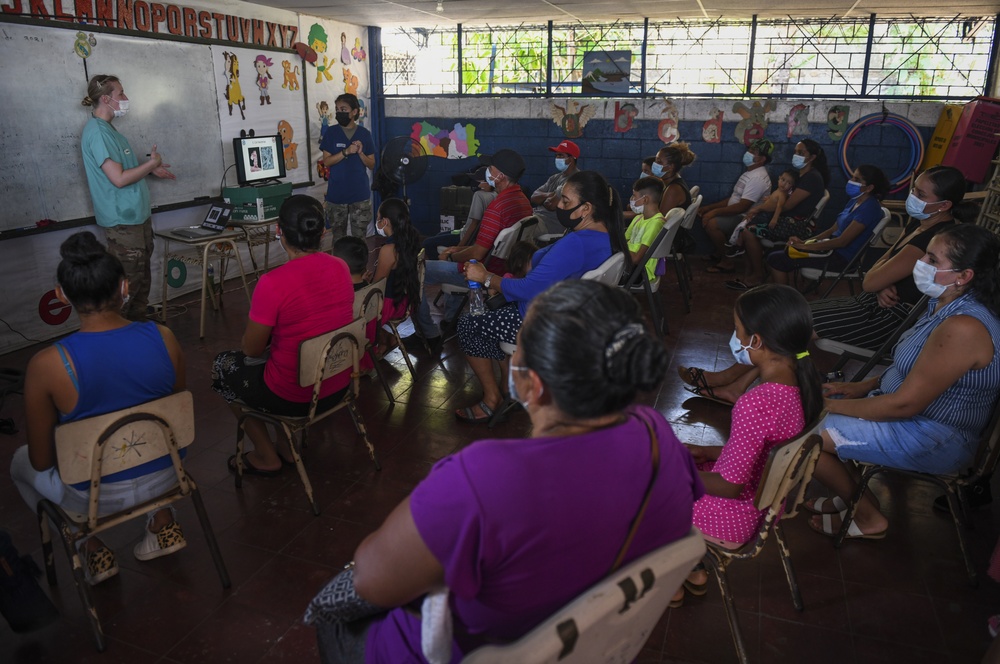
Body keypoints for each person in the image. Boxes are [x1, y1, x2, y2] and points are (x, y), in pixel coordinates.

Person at [308, 279, 704, 661]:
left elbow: (370, 581)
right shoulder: (656, 436)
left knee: (333, 611)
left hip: (453, 653)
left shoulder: (484, 480)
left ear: (535, 384)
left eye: (520, 346)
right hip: (590, 646)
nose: (512, 357)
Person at [679, 165, 965, 406]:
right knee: (790, 322)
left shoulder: (934, 239)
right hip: (874, 301)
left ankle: (734, 383)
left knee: (790, 327)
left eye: (920, 194)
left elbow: (869, 279)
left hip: (888, 318)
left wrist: (878, 282)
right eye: (914, 190)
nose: (911, 197)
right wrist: (879, 283)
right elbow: (876, 276)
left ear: (944, 205)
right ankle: (735, 383)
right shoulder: (921, 227)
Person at [11, 232, 187, 585]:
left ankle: (89, 546)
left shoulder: (47, 364)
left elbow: (42, 462)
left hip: (94, 497)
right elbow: (176, 412)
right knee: (147, 433)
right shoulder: (163, 337)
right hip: (168, 476)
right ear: (124, 288)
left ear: (61, 295)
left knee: (20, 461)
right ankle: (163, 521)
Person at [807, 223, 1000, 540]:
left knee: (807, 434)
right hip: (912, 418)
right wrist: (861, 387)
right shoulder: (941, 302)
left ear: (964, 276)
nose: (922, 263)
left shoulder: (964, 326)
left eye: (933, 260)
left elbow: (905, 404)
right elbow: (912, 367)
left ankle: (869, 516)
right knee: (821, 417)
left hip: (935, 437)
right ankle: (851, 496)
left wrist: (828, 405)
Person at [675, 284, 823, 606]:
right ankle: (693, 568)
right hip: (766, 503)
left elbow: (729, 487)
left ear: (757, 341)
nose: (736, 338)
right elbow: (765, 454)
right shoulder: (801, 386)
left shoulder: (756, 403)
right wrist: (710, 452)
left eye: (738, 330)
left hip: (734, 515)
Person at [454, 170, 628, 423]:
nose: (558, 205)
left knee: (469, 323)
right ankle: (508, 386)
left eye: (566, 202)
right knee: (491, 312)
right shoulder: (605, 236)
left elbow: (528, 290)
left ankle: (492, 399)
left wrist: (487, 278)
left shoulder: (577, 242)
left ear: (586, 208)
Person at [212, 195, 354, 476]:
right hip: (337, 384)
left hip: (295, 396)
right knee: (282, 360)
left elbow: (251, 350)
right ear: (322, 232)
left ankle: (266, 454)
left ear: (279, 231)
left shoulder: (272, 284)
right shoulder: (341, 267)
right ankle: (288, 447)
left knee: (223, 366)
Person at [80, 74, 176, 321]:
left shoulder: (110, 131)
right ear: (105, 99)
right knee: (126, 285)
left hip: (136, 218)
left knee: (140, 279)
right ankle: (117, 337)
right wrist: (151, 163)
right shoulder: (98, 133)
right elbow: (119, 178)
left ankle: (138, 330)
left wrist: (150, 168)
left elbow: (125, 172)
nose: (126, 98)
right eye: (120, 94)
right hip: (123, 222)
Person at [417, 149, 533, 345]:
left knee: (416, 270)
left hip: (483, 273)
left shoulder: (497, 207)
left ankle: (428, 334)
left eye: (490, 168)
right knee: (454, 253)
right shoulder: (522, 201)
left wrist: (451, 257)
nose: (487, 171)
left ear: (500, 176)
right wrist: (457, 250)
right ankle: (451, 318)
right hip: (506, 269)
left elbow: (478, 252)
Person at [729, 138, 830, 291]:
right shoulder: (803, 175)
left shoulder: (811, 178)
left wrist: (760, 208)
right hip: (790, 219)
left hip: (797, 224)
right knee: (749, 223)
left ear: (812, 157)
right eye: (796, 152)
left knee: (749, 231)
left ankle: (758, 275)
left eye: (801, 153)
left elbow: (786, 206)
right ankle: (751, 273)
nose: (796, 155)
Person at [765, 165, 890, 286]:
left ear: (869, 188)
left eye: (857, 180)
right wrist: (805, 242)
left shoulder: (869, 209)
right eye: (852, 177)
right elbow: (833, 229)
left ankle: (784, 300)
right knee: (786, 252)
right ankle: (791, 294)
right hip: (831, 249)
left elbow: (842, 242)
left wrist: (806, 248)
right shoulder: (855, 201)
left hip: (841, 258)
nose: (851, 181)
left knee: (776, 259)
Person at [702, 138, 775, 274]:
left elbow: (742, 206)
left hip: (744, 217)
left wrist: (713, 213)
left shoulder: (757, 178)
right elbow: (734, 198)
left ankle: (727, 261)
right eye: (750, 149)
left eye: (754, 152)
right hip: (738, 213)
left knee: (712, 223)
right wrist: (708, 208)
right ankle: (720, 253)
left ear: (762, 159)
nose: (748, 152)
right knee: (707, 215)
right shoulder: (750, 173)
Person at [319, 93, 376, 239]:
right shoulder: (331, 132)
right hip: (337, 195)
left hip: (359, 195)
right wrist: (346, 152)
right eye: (337, 109)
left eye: (344, 109)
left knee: (359, 239)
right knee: (338, 239)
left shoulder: (364, 134)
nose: (340, 113)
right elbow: (327, 161)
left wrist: (361, 153)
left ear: (354, 112)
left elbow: (372, 164)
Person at [370, 198, 422, 355]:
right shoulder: (411, 239)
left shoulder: (389, 249)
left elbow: (377, 286)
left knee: (359, 303)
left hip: (391, 305)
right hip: (406, 300)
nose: (377, 221)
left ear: (385, 221)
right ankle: (388, 338)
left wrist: (365, 282)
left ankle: (377, 346)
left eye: (378, 218)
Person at [421, 166, 496, 260]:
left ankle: (439, 265)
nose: (477, 184)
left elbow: (474, 224)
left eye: (479, 181)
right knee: (438, 236)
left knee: (427, 243)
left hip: (464, 236)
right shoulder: (495, 195)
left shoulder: (479, 195)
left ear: (487, 182)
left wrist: (459, 247)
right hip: (466, 233)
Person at [530, 140, 581, 234]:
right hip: (536, 216)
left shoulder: (575, 180)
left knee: (517, 230)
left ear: (571, 159)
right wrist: (549, 194)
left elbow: (551, 205)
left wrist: (545, 199)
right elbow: (533, 197)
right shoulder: (555, 177)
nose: (557, 158)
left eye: (561, 155)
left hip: (549, 223)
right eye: (556, 155)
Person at [625, 176, 666, 283]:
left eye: (634, 196)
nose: (632, 200)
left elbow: (636, 259)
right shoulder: (638, 218)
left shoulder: (656, 223)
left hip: (639, 272)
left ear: (645, 199)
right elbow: (624, 240)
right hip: (628, 264)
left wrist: (618, 246)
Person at [653, 141, 696, 215]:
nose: (654, 164)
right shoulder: (670, 182)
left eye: (659, 162)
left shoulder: (673, 189)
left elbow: (659, 219)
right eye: (655, 160)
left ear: (670, 167)